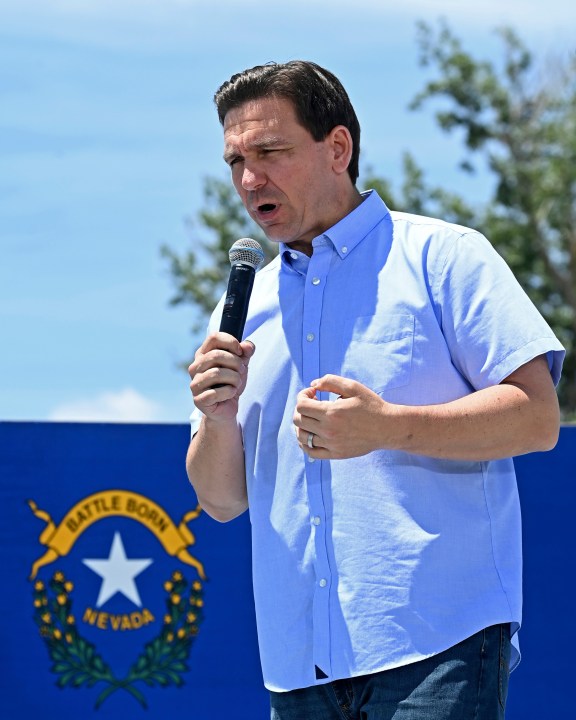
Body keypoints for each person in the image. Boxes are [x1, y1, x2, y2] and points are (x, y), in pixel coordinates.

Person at [186, 60, 564, 719]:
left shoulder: (444, 256)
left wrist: (387, 426)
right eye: (236, 161)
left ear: (338, 148)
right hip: (296, 663)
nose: (250, 181)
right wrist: (218, 419)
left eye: (271, 152)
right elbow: (219, 503)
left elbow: (537, 417)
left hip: (436, 645)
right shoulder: (243, 306)